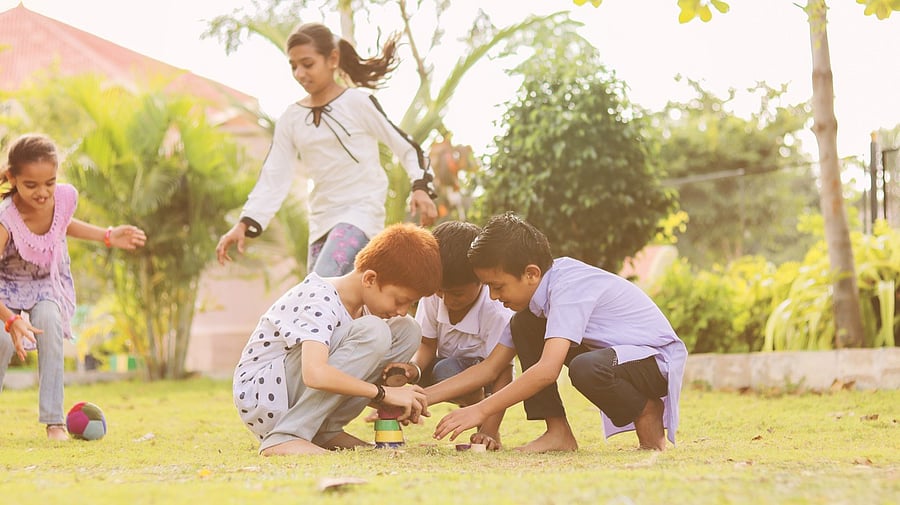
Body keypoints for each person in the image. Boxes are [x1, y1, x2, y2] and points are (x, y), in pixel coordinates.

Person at [428, 212, 687, 452]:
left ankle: (647, 410)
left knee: (586, 367)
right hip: (615, 357)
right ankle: (558, 432)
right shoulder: (536, 305)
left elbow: (547, 371)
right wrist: (421, 397)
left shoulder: (568, 287)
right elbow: (489, 368)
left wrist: (480, 410)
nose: (494, 297)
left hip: (654, 360)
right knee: (524, 325)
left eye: (498, 286)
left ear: (531, 274)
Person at [216, 22, 438, 275]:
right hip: (321, 223)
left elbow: (407, 147)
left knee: (319, 290)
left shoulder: (357, 102)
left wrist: (420, 187)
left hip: (361, 215)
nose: (299, 73)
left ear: (332, 59)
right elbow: (274, 176)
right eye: (293, 66)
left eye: (307, 64)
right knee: (327, 304)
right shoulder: (291, 118)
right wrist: (244, 224)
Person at [233, 222, 442, 456]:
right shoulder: (320, 298)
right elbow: (315, 374)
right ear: (370, 279)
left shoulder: (363, 309)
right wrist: (383, 393)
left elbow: (346, 368)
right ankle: (287, 435)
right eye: (399, 300)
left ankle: (325, 430)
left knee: (408, 329)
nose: (402, 310)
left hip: (295, 389)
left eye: (410, 303)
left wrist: (394, 391)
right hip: (265, 395)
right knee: (375, 331)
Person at [0, 134, 147, 440]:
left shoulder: (64, 197)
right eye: (31, 185)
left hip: (46, 281)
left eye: (49, 183)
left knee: (49, 323)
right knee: (0, 340)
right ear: (13, 178)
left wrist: (107, 236)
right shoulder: (5, 219)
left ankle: (54, 421)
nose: (42, 193)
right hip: (6, 286)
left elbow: (63, 223)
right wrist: (10, 320)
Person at [378, 221, 513, 450]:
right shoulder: (433, 296)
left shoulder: (496, 310)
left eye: (457, 293)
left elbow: (501, 373)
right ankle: (391, 421)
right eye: (441, 291)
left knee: (447, 369)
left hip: (480, 376)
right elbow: (427, 344)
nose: (447, 300)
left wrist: (489, 430)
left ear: (481, 279)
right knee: (396, 371)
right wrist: (414, 368)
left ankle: (480, 414)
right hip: (440, 367)